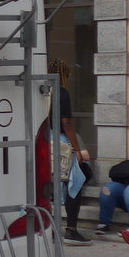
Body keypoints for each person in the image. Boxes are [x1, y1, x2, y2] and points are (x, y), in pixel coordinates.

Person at [49, 59, 93, 245]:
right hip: (60, 143)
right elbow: (66, 123)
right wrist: (77, 149)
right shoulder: (61, 93)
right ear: (65, 75)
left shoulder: (42, 90)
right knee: (78, 179)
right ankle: (71, 229)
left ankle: (50, 227)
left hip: (44, 140)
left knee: (53, 185)